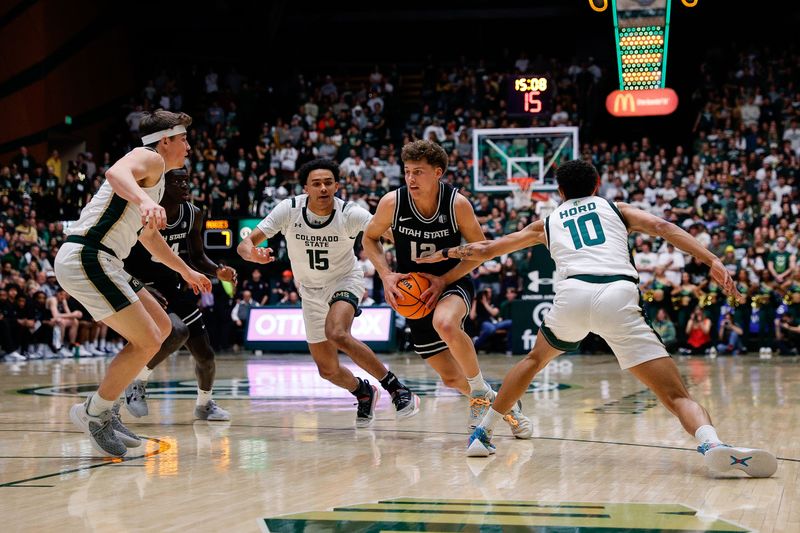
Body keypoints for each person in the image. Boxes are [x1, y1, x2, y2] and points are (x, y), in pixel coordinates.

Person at [418, 159, 776, 478]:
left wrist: (443, 254)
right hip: (617, 294)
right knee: (675, 394)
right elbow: (664, 228)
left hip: (572, 295)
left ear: (559, 192)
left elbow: (484, 249)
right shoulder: (615, 208)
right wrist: (712, 260)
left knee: (533, 360)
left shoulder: (546, 222)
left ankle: (483, 432)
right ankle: (712, 445)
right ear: (597, 183)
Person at [55, 109, 211, 457]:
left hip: (106, 259)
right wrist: (142, 200)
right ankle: (94, 413)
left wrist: (186, 271)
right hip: (88, 255)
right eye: (183, 139)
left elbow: (150, 238)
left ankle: (106, 410)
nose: (188, 145)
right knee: (147, 339)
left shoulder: (154, 183)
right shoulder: (148, 157)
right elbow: (114, 172)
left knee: (161, 328)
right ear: (165, 140)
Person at [362, 139, 531, 437]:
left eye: (419, 172)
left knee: (446, 322)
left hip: (452, 281)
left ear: (438, 172)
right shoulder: (393, 202)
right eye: (407, 172)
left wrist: (442, 279)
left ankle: (479, 393)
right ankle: (505, 407)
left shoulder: (457, 204)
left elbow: (482, 251)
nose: (411, 179)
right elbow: (369, 238)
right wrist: (387, 275)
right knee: (452, 378)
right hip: (414, 291)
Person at [238, 158, 420, 427]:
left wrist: (415, 245)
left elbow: (389, 234)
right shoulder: (288, 209)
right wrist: (253, 255)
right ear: (306, 188)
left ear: (336, 185)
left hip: (345, 280)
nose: (323, 188)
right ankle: (363, 391)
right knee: (327, 370)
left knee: (337, 333)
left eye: (327, 183)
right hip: (309, 291)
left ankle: (397, 388)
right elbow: (244, 245)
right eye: (316, 184)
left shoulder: (349, 212)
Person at [123, 169, 238, 422]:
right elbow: (119, 257)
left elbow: (197, 256)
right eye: (178, 181)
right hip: (141, 285)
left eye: (187, 179)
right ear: (160, 184)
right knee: (177, 331)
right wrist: (137, 284)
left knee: (206, 355)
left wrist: (218, 271)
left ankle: (204, 405)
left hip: (173, 285)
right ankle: (136, 381)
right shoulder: (142, 213)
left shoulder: (193, 213)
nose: (185, 184)